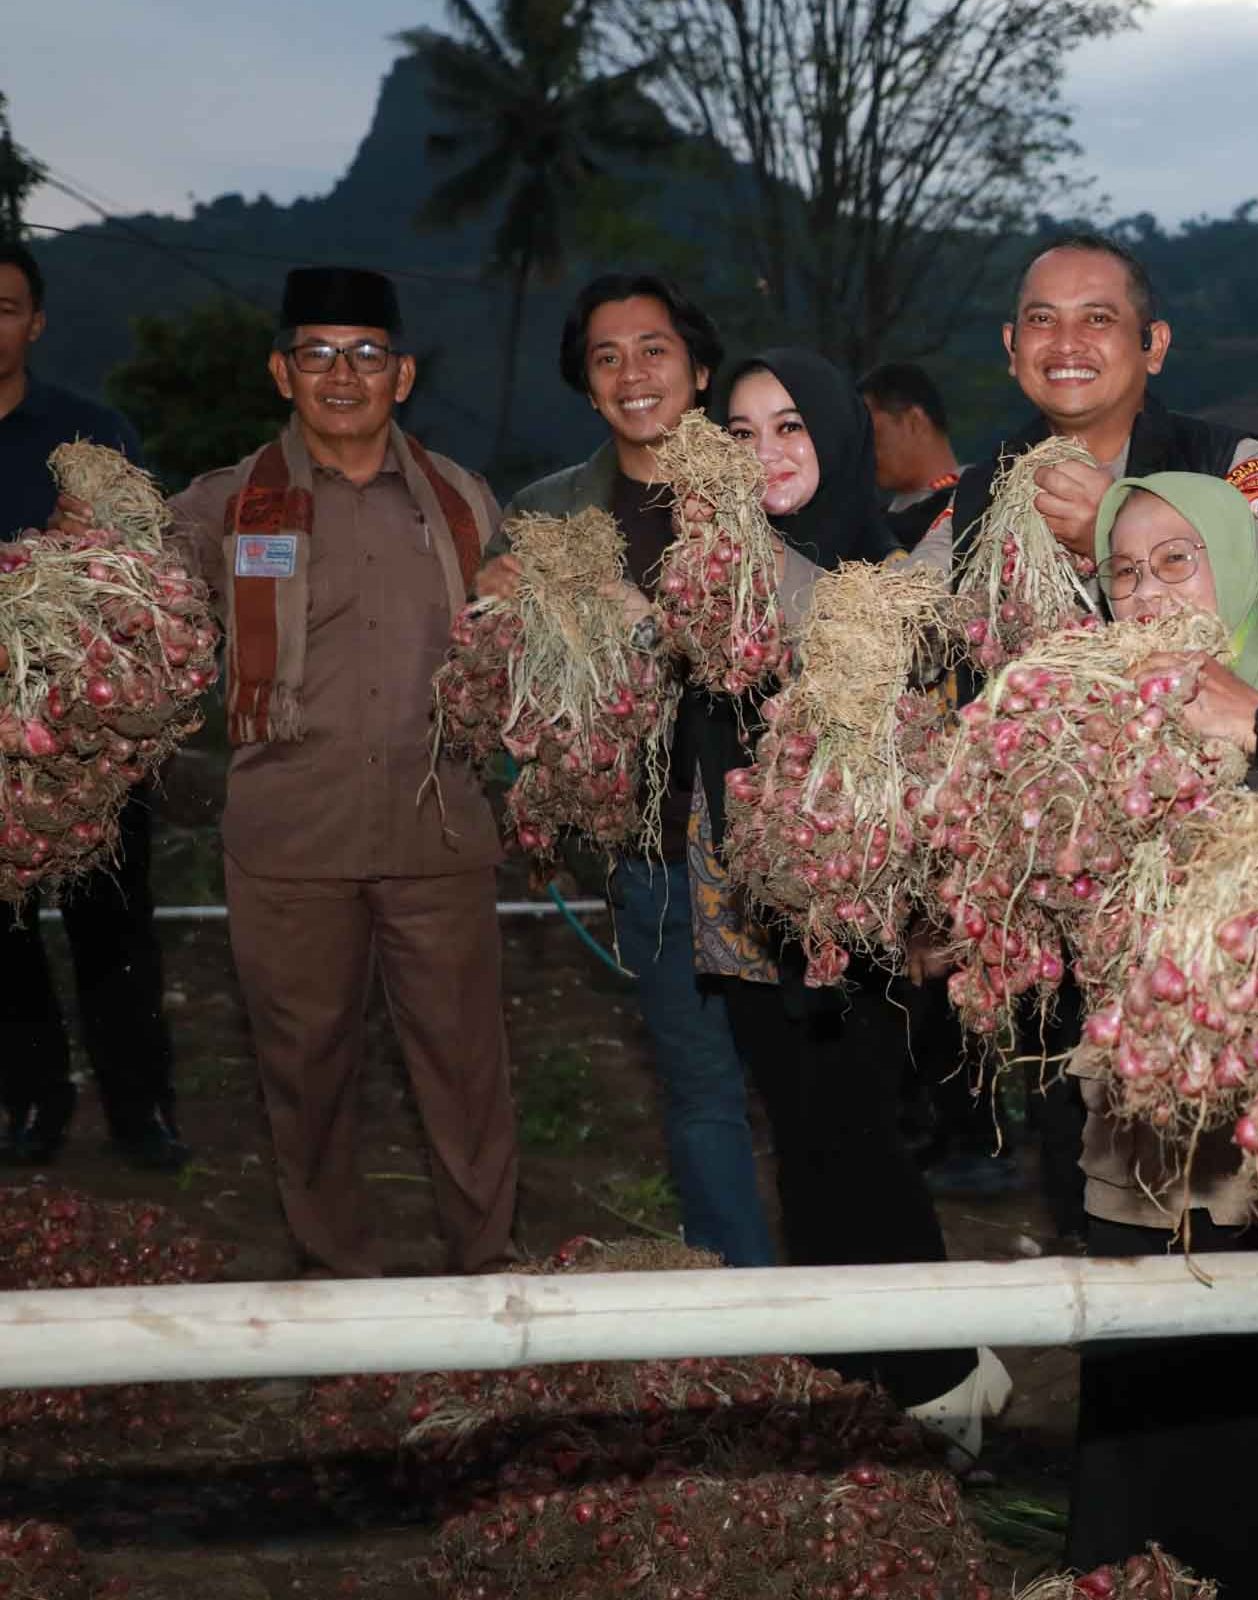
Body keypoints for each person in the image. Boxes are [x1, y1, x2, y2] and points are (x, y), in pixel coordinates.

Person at [159, 266, 518, 1277]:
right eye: (317, 353)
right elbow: (136, 602)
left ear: (402, 376)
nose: (342, 374)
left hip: (438, 828)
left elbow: (521, 641)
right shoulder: (224, 507)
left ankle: (488, 1274)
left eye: (366, 354)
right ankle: (332, 1273)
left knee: (465, 1066)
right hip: (289, 839)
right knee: (304, 1067)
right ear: (283, 370)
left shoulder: (460, 500)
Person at [696, 348, 1006, 1449]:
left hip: (854, 920)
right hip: (739, 915)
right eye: (740, 433)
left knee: (860, 1143)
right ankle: (848, 1381)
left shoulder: (877, 572)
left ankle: (945, 1383)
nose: (768, 453)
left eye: (790, 426)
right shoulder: (715, 570)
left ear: (835, 430)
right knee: (811, 1149)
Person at [480, 273, 776, 1271]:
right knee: (701, 1095)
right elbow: (505, 694)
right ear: (587, 384)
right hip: (653, 848)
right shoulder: (551, 511)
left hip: (786, 844)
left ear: (698, 369)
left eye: (653, 348)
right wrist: (497, 612)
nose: (631, 373)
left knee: (820, 1091)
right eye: (606, 357)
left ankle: (857, 1322)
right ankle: (746, 1314)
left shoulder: (768, 486)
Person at [1057, 472, 1258, 1597]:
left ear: (1238, 564)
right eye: (1125, 571)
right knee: (1136, 1438)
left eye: (1179, 560)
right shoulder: (1087, 741)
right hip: (1133, 1157)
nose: (1152, 595)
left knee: (1253, 1462)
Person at [0, 238, 186, 1170]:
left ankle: (139, 1107)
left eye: (4, 306)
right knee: (4, 936)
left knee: (113, 926)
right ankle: (32, 1100)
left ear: (34, 322)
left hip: (87, 738)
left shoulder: (91, 437)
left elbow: (145, 574)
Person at [908, 232, 1258, 635]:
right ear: (1012, 348)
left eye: (1098, 318)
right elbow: (908, 612)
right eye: (1041, 319)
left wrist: (1113, 538)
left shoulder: (1228, 464)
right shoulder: (982, 492)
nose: (1067, 343)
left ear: (1154, 346)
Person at [859, 362, 964, 550]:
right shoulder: (871, 525)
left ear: (914, 422)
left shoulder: (979, 500)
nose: (866, 449)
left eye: (873, 433)